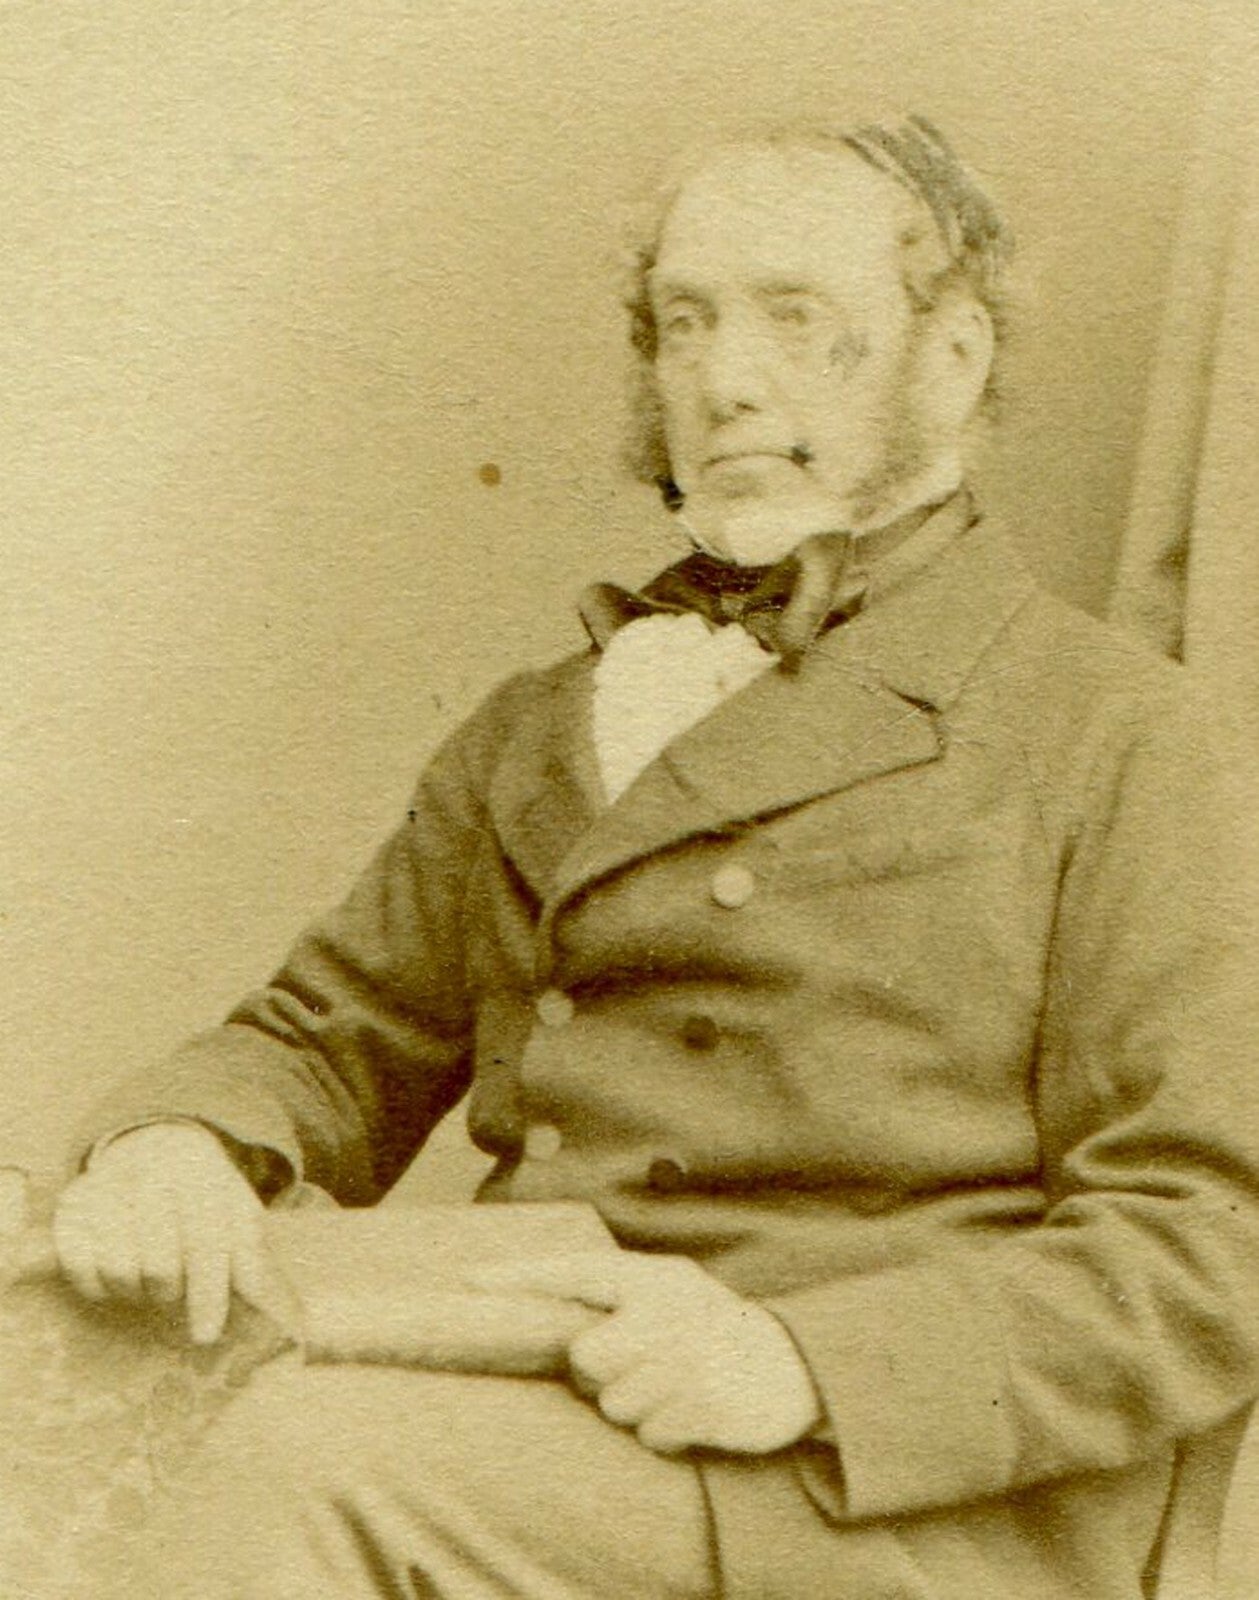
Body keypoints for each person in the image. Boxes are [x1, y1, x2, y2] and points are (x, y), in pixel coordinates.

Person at [51, 116, 1259, 1599]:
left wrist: (802, 1366)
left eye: (795, 318)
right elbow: (329, 1035)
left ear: (951, 358)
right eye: (686, 322)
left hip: (875, 1485)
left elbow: (1215, 1238)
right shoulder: (548, 723)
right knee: (36, 1366)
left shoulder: (1117, 728)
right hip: (543, 1373)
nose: (724, 379)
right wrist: (180, 1142)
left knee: (302, 1465)